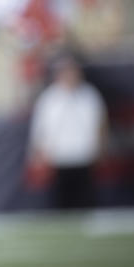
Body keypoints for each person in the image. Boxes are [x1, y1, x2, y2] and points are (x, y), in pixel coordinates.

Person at [28, 53, 108, 210]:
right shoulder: (49, 98)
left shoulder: (90, 95)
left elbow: (100, 125)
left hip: (84, 157)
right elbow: (40, 129)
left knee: (85, 201)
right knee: (61, 204)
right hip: (58, 159)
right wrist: (38, 154)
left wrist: (101, 148)